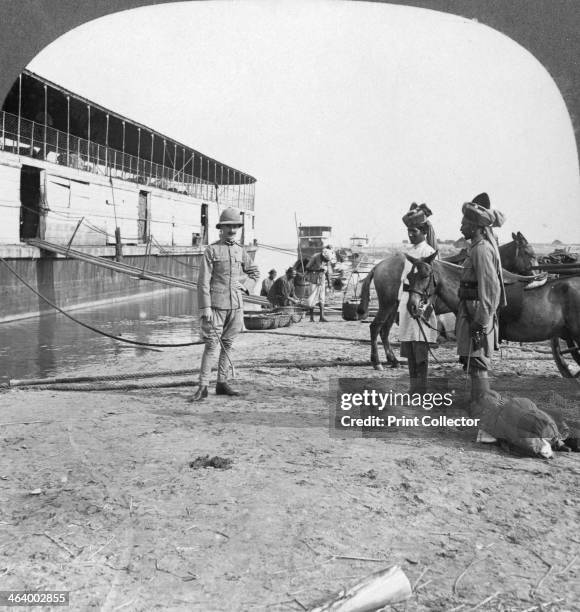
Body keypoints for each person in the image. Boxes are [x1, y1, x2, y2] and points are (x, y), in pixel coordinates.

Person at [191, 207, 260, 402]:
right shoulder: (212, 250)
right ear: (221, 228)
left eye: (235, 227)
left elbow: (255, 273)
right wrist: (205, 308)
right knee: (211, 345)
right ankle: (203, 386)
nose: (232, 230)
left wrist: (246, 286)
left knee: (228, 344)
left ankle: (222, 383)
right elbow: (203, 281)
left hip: (236, 307)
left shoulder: (240, 250)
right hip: (216, 307)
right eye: (228, 226)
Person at [456, 193, 506, 416]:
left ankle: (484, 413)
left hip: (477, 316)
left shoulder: (483, 249)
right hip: (470, 313)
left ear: (476, 226)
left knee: (479, 365)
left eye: (464, 223)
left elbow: (490, 290)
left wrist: (480, 322)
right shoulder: (476, 248)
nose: (461, 227)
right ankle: (480, 409)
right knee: (473, 364)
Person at [398, 204, 439, 394]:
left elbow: (433, 284)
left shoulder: (428, 252)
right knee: (409, 347)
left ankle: (421, 388)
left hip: (421, 303)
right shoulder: (410, 253)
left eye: (414, 232)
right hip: (407, 300)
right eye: (408, 232)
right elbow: (403, 282)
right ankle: (413, 388)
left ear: (423, 231)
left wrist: (425, 308)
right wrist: (400, 304)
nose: (411, 235)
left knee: (420, 345)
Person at [305, 247, 333, 322]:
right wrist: (317, 270)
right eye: (325, 260)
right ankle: (311, 318)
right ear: (322, 256)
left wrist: (329, 282)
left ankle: (322, 317)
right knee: (312, 299)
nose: (326, 261)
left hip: (322, 281)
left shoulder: (327, 260)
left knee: (322, 298)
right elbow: (307, 268)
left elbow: (327, 272)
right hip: (313, 281)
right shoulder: (315, 257)